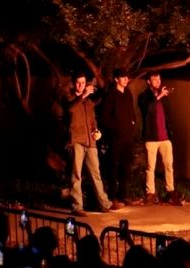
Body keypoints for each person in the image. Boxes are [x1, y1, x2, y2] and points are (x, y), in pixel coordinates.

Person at [65, 74, 115, 216]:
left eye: (83, 83)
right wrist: (83, 96)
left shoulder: (88, 102)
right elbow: (70, 110)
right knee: (76, 175)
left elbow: (93, 120)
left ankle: (104, 203)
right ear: (74, 84)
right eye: (78, 83)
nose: (81, 85)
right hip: (76, 140)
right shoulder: (70, 98)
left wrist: (96, 131)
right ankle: (77, 206)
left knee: (96, 173)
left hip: (90, 141)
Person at [137, 72, 181, 206]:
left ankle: (170, 191)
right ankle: (150, 193)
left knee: (169, 165)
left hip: (165, 137)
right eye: (154, 79)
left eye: (159, 79)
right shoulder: (144, 96)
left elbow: (168, 115)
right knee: (151, 167)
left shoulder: (164, 96)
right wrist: (159, 96)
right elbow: (147, 110)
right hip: (151, 137)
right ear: (149, 82)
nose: (157, 81)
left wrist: (170, 132)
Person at [99, 68, 139, 206]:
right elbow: (104, 117)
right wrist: (116, 128)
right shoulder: (111, 95)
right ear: (116, 79)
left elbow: (131, 112)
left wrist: (132, 123)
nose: (126, 79)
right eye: (123, 77)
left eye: (127, 77)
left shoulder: (127, 93)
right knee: (113, 167)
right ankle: (113, 195)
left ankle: (124, 194)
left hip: (128, 136)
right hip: (116, 138)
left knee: (125, 167)